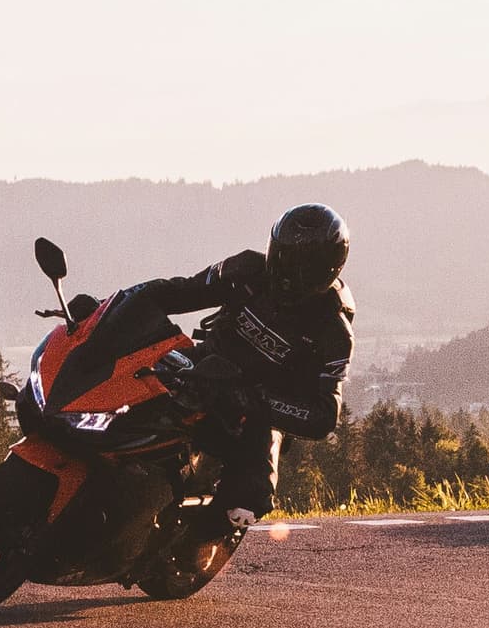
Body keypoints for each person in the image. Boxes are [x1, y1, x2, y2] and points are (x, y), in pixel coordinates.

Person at [123, 203, 353, 533]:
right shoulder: (245, 270)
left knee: (246, 499)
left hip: (257, 402)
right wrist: (113, 307)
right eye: (285, 256)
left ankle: (212, 525)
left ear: (327, 269)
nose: (288, 271)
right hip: (203, 365)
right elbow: (176, 292)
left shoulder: (333, 332)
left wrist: (255, 398)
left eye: (303, 265)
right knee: (131, 375)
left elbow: (323, 415)